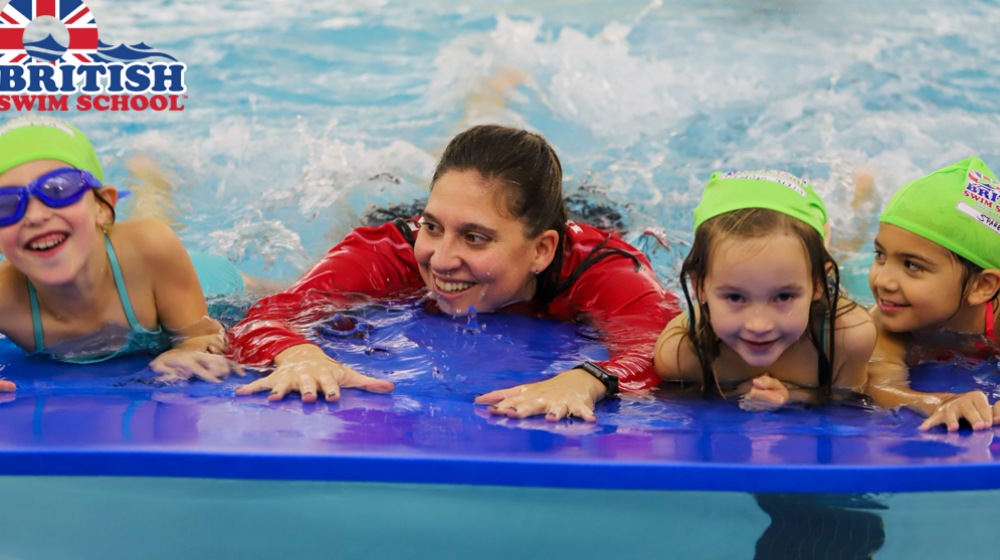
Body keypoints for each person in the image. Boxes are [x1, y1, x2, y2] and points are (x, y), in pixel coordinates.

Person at [231, 124, 680, 420]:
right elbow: (268, 317)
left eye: (475, 238)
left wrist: (587, 380)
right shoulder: (393, 250)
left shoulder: (603, 268)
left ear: (542, 250)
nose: (442, 260)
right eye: (433, 227)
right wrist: (299, 355)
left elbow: (666, 349)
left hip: (590, 210)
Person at [0, 116, 244, 387]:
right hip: (129, 261)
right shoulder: (4, 294)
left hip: (205, 280)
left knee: (152, 228)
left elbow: (202, 336)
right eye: (4, 204)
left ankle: (150, 179)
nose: (34, 216)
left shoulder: (152, 247)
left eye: (58, 190)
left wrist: (185, 352)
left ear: (103, 206)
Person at [654, 169, 876, 408]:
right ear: (699, 286)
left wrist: (795, 397)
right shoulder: (682, 354)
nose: (759, 326)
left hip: (818, 305)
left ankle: (861, 200)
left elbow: (848, 405)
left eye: (783, 296)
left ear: (818, 283)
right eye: (735, 297)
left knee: (847, 251)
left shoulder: (846, 337)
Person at [865, 157, 1000, 432]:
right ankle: (862, 197)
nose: (882, 280)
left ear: (982, 286)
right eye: (879, 255)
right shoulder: (881, 320)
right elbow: (879, 385)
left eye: (912, 265)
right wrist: (940, 402)